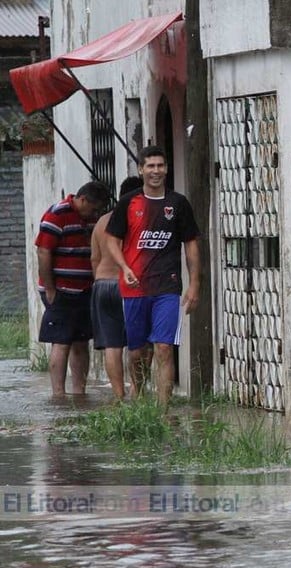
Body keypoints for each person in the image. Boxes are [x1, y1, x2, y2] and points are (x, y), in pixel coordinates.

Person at [105, 146, 201, 406]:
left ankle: (163, 410)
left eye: (160, 165)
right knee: (137, 351)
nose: (156, 171)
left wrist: (194, 285)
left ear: (167, 169)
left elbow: (191, 244)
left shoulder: (178, 204)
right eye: (150, 166)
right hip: (134, 288)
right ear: (141, 169)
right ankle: (137, 394)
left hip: (167, 287)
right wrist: (125, 268)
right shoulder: (129, 202)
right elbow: (112, 239)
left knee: (163, 347)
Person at [35, 181, 111, 397]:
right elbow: (43, 252)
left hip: (86, 289)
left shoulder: (93, 219)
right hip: (60, 290)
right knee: (61, 341)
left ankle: (80, 392)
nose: (95, 213)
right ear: (83, 200)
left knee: (80, 341)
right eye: (94, 208)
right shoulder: (56, 215)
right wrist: (50, 289)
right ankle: (58, 395)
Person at [90, 176, 144, 399]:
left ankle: (119, 395)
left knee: (112, 345)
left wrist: (100, 279)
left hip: (102, 285)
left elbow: (94, 258)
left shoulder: (102, 221)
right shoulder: (139, 219)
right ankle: (137, 392)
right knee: (138, 343)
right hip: (128, 286)